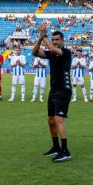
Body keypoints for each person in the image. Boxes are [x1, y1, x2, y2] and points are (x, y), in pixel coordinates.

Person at [33, 24, 73, 163]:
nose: (55, 41)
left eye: (57, 39)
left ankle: (65, 150)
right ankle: (56, 147)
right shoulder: (51, 53)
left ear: (63, 40)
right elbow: (35, 53)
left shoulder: (66, 52)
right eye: (53, 39)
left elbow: (52, 49)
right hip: (54, 90)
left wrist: (44, 36)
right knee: (50, 120)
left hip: (64, 89)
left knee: (58, 119)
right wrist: (39, 39)